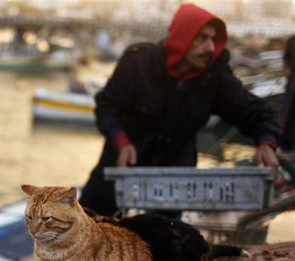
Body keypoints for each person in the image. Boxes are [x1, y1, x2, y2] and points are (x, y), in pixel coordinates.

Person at [79, 3, 283, 217]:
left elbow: (253, 110)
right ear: (182, 36)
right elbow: (106, 107)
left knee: (164, 242)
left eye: (213, 39)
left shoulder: (215, 76)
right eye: (202, 38)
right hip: (118, 171)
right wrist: (121, 141)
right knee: (86, 223)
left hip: (172, 182)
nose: (210, 48)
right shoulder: (138, 63)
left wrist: (266, 142)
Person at [279, 34, 294, 151]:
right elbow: (285, 57)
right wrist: (287, 68)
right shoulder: (291, 40)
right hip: (292, 84)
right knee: (288, 114)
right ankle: (285, 146)